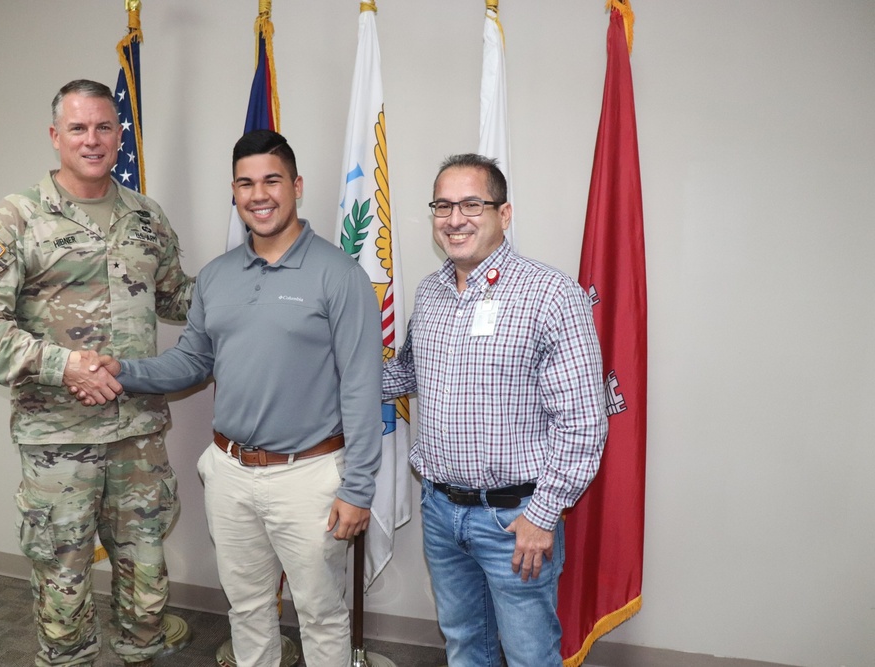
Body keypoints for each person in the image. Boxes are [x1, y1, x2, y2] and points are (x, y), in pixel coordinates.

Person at [74, 129, 384, 667]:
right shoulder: (216, 277)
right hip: (229, 472)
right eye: (246, 183)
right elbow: (191, 361)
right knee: (246, 608)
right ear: (234, 192)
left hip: (308, 476)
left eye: (271, 180)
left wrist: (358, 488)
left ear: (297, 186)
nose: (259, 194)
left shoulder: (339, 275)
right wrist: (122, 370)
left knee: (321, 614)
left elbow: (361, 385)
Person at [0, 79, 195, 667]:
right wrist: (65, 366)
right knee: (63, 583)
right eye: (79, 128)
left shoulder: (146, 216)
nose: (93, 139)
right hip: (58, 439)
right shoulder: (16, 217)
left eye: (105, 127)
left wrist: (261, 283)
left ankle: (143, 652)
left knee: (146, 582)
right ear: (56, 136)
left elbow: (178, 299)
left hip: (137, 433)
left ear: (119, 135)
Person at [382, 154, 608, 667]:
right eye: (443, 205)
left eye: (471, 204)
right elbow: (410, 374)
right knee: (464, 645)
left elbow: (583, 421)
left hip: (515, 520)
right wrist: (331, 373)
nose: (454, 218)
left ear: (503, 214)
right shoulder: (431, 292)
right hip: (441, 512)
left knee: (529, 655)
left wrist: (543, 513)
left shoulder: (550, 294)